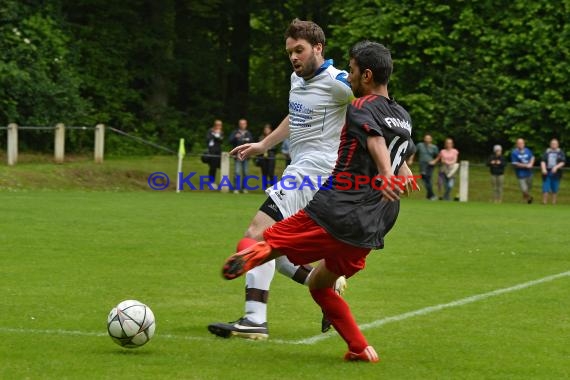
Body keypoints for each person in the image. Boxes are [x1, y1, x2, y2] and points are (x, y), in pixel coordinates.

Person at [221, 41, 416, 362]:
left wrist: (385, 171)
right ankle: (360, 348)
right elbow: (398, 144)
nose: (349, 76)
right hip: (375, 223)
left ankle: (255, 272)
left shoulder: (359, 106)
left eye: (352, 71)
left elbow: (374, 138)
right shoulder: (403, 116)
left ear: (366, 75)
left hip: (339, 206)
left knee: (262, 238)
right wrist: (401, 170)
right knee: (320, 284)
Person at [208, 19, 353, 340]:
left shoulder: (338, 81)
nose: (293, 57)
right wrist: (263, 144)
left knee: (256, 236)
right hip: (299, 171)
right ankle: (325, 281)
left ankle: (254, 320)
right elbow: (294, 115)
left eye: (299, 50)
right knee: (278, 249)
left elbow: (373, 100)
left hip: (312, 175)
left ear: (318, 48)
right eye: (290, 52)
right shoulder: (296, 79)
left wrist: (391, 153)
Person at [409, 133, 438, 200]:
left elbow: (439, 156)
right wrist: (411, 159)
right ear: (424, 139)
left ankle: (431, 195)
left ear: (431, 139)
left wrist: (434, 161)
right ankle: (430, 195)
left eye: (429, 138)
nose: (427, 139)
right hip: (422, 164)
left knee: (428, 178)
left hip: (430, 165)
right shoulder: (420, 145)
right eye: (426, 138)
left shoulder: (434, 147)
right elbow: (414, 152)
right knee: (424, 179)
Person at [229, 118, 253, 193]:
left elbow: (252, 142)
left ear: (246, 124)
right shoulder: (235, 132)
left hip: (246, 155)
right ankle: (236, 188)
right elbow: (230, 140)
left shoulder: (248, 133)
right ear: (239, 124)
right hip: (237, 156)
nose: (243, 125)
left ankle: (244, 188)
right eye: (241, 123)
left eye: (244, 123)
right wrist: (235, 137)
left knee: (245, 172)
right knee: (237, 172)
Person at [540, 138, 566, 205]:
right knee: (545, 187)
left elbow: (563, 162)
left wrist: (556, 167)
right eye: (552, 144)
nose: (553, 145)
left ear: (558, 145)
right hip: (547, 171)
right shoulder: (547, 151)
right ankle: (544, 202)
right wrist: (543, 169)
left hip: (556, 173)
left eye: (555, 144)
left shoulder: (560, 152)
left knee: (555, 188)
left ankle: (554, 203)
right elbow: (543, 161)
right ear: (550, 144)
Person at [511, 138, 535, 203]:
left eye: (522, 143)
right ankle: (529, 198)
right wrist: (525, 165)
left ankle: (526, 200)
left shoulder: (528, 150)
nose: (521, 144)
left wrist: (531, 164)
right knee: (524, 189)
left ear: (524, 144)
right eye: (519, 143)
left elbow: (532, 157)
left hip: (529, 173)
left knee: (528, 188)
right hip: (520, 174)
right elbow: (515, 164)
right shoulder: (514, 152)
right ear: (517, 144)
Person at [205, 119, 224, 187]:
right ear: (215, 125)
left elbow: (221, 141)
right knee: (212, 167)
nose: (219, 126)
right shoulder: (210, 131)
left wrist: (216, 136)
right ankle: (211, 182)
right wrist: (214, 135)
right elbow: (207, 139)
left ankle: (222, 182)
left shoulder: (221, 132)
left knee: (219, 166)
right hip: (211, 151)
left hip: (218, 151)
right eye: (218, 125)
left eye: (220, 125)